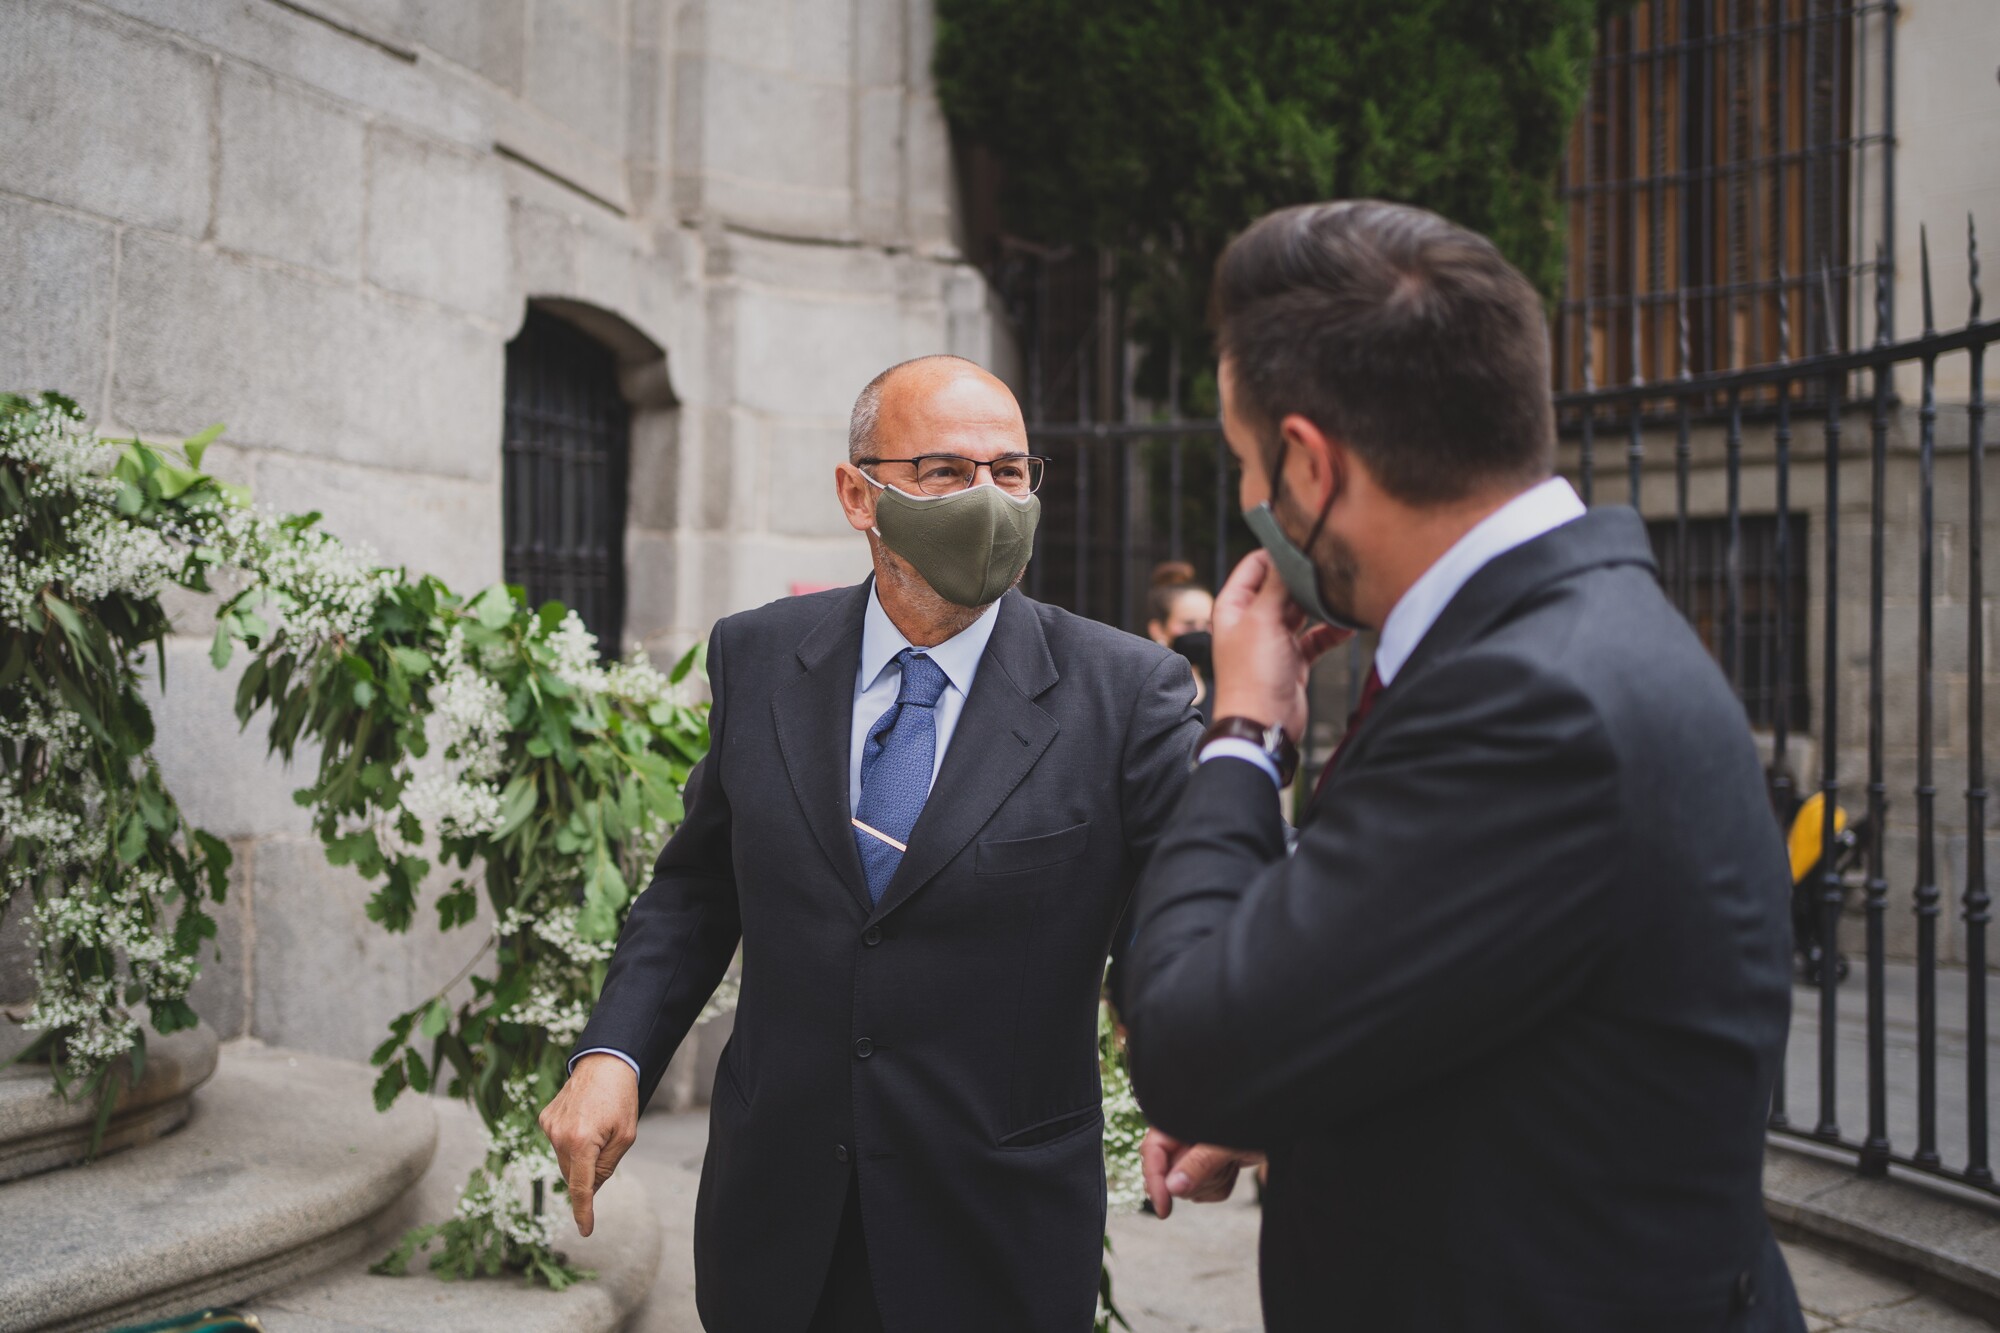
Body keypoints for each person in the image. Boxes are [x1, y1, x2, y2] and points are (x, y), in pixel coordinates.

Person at [1119, 201, 1804, 1332]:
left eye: (1246, 463)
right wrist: (1293, 1106)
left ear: (1306, 462)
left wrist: (1243, 732)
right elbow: (1496, 996)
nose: (1251, 501)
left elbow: (1193, 1046)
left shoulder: (1526, 700)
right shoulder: (1566, 630)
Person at [538, 355, 1202, 1332]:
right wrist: (614, 1052)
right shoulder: (758, 655)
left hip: (994, 1236)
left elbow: (1174, 921)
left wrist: (1192, 1072)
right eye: (945, 471)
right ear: (860, 494)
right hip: (776, 1230)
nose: (987, 499)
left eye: (1010, 472)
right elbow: (695, 891)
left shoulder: (1126, 693)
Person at [1144, 562, 1215, 722]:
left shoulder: (1222, 697)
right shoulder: (1143, 695)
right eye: (1189, 624)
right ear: (1158, 629)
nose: (1201, 631)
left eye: (1208, 624)